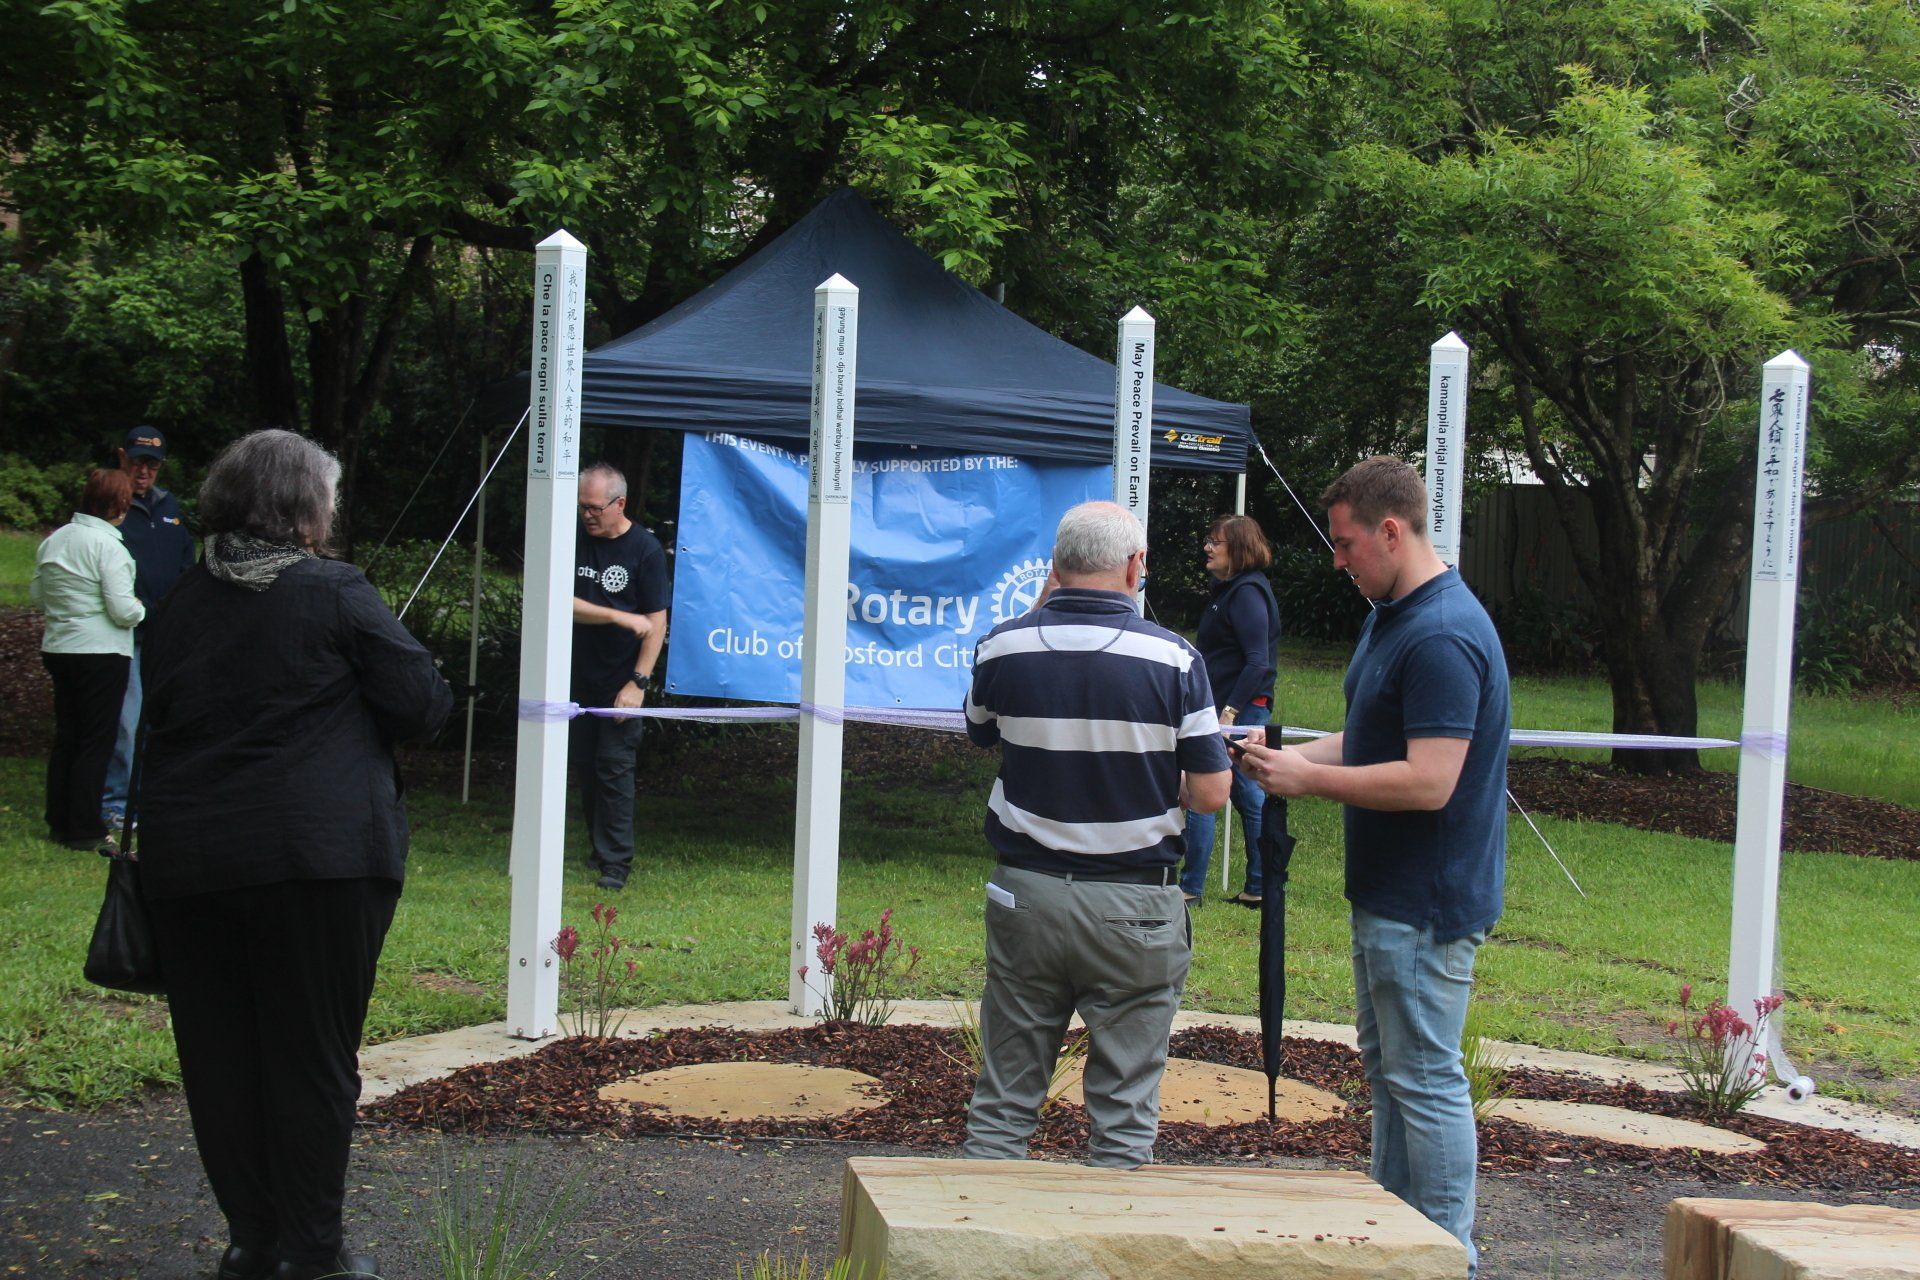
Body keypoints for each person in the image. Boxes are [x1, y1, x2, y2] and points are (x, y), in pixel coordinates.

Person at [137, 429, 453, 1280]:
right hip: (316, 862)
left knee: (220, 1059)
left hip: (192, 863)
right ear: (305, 508)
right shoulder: (335, 591)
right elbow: (421, 705)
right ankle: (312, 1255)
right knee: (311, 1061)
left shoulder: (176, 601)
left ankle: (253, 1242)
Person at [1238, 456, 1509, 1274]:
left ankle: (1447, 1256)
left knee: (1424, 1081)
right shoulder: (1392, 614)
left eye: (1347, 542)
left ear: (1392, 531)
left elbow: (1431, 779)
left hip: (1426, 906)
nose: (1338, 559)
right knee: (1390, 1076)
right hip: (1386, 898)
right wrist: (1277, 755)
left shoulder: (1442, 634)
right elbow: (1376, 739)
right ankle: (1400, 1247)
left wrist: (1309, 779)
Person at [960, 501, 1232, 1169]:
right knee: (1124, 1113)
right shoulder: (1174, 658)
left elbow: (980, 733)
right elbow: (1210, 794)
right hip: (1136, 906)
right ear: (1136, 565)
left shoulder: (1003, 644)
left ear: (1054, 568)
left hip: (1027, 894)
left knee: (1003, 1101)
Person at [30, 468, 145, 850]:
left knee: (68, 737)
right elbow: (122, 610)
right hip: (101, 652)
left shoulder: (54, 541)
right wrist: (141, 609)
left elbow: (38, 596)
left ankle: (59, 819)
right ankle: (86, 829)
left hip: (60, 647)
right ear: (118, 504)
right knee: (96, 742)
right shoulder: (109, 547)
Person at [570, 462, 669, 891]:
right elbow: (555, 599)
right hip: (571, 680)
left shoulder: (645, 549)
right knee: (585, 768)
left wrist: (638, 684)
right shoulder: (569, 537)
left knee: (614, 768)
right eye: (581, 507)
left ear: (619, 503)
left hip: (619, 683)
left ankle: (616, 864)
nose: (586, 515)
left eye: (594, 508)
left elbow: (656, 622)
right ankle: (597, 848)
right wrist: (615, 615)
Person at [1180, 512, 1281, 907]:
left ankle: (1191, 887)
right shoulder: (1228, 590)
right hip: (1221, 707)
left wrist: (1230, 713)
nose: (1207, 547)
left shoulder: (1247, 593)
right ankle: (1258, 887)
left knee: (1208, 787)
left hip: (1235, 713)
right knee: (1243, 795)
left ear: (1237, 549)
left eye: (1215, 542)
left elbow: (1258, 661)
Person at [101, 425, 197, 831]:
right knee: (126, 721)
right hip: (125, 632)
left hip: (165, 633)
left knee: (157, 721)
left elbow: (184, 565)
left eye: (152, 464)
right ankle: (116, 803)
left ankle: (148, 801)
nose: (144, 471)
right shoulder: (111, 506)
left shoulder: (169, 507)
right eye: (138, 461)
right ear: (123, 457)